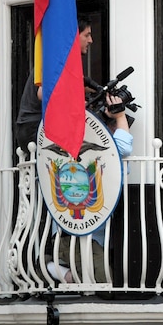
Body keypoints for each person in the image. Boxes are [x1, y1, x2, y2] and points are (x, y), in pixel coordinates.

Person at [48, 94, 133, 283]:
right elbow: (123, 148)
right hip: (72, 234)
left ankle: (53, 268)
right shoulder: (72, 144)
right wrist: (120, 117)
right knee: (104, 284)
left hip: (95, 236)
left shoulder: (101, 153)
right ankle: (55, 270)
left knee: (103, 280)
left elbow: (119, 154)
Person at [15, 17, 94, 153]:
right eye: (86, 35)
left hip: (35, 124)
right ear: (74, 36)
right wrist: (74, 103)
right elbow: (42, 93)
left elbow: (74, 86)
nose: (90, 40)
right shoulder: (57, 59)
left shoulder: (65, 59)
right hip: (34, 126)